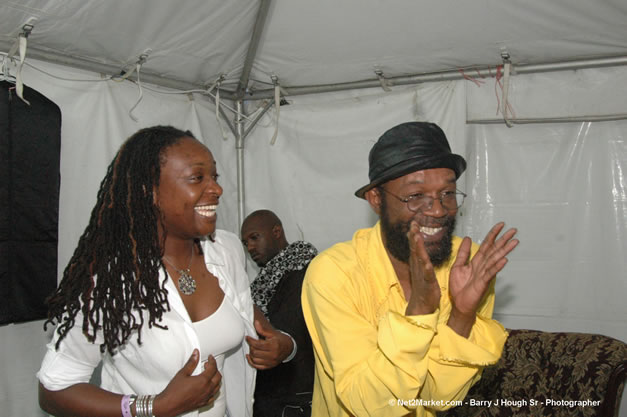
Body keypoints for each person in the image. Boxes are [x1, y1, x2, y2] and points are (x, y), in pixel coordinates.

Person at [301, 121, 519, 417]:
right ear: (376, 200)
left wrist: (462, 315)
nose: (439, 209)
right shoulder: (335, 274)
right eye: (416, 196)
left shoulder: (467, 266)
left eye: (448, 193)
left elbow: (438, 397)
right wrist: (418, 312)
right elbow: (368, 405)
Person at [37, 126, 256, 417]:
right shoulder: (108, 281)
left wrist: (283, 345)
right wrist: (154, 406)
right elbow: (54, 390)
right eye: (197, 178)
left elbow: (244, 317)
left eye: (214, 177)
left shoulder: (227, 249)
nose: (216, 189)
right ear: (150, 191)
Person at [240, 209, 317, 417]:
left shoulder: (302, 272)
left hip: (294, 399)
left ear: (276, 232)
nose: (250, 247)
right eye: (245, 243)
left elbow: (285, 332)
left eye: (254, 237)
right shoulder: (265, 283)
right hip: (273, 396)